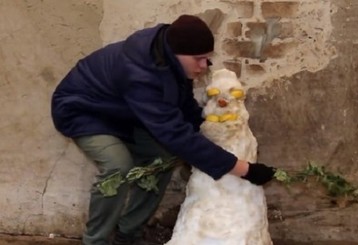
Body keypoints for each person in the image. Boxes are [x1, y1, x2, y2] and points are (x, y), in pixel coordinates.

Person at [51, 14, 275, 245]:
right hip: (84, 111)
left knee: (162, 159)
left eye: (206, 58)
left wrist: (212, 138)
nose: (203, 66)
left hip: (124, 113)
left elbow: (185, 109)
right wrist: (242, 169)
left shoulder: (170, 58)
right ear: (176, 53)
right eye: (198, 59)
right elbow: (174, 134)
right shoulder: (141, 74)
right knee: (117, 167)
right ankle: (95, 241)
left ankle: (128, 234)